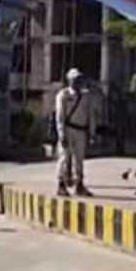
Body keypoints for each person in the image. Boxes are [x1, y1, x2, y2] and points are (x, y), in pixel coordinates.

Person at [55, 68, 96, 197]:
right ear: (69, 80)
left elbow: (90, 115)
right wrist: (61, 134)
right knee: (64, 157)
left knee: (79, 159)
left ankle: (79, 184)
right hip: (68, 129)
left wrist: (92, 132)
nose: (77, 82)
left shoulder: (86, 96)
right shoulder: (64, 95)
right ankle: (61, 184)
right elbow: (60, 116)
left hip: (81, 130)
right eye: (75, 79)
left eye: (79, 79)